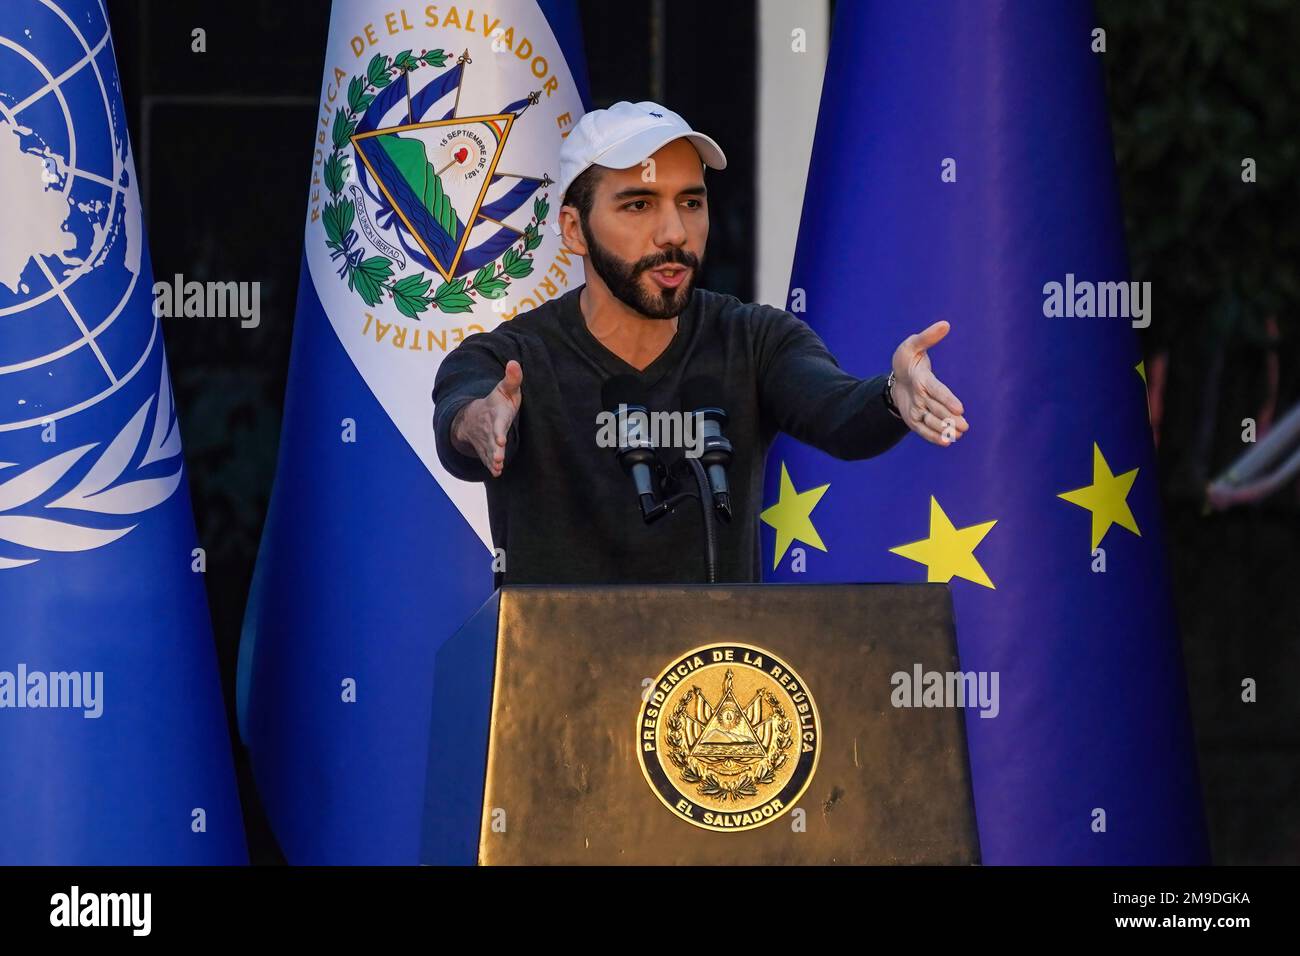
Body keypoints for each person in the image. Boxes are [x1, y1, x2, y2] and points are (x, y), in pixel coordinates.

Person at [433, 101, 968, 585]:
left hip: (720, 688)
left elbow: (835, 409)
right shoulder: (513, 360)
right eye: (638, 205)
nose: (673, 232)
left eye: (690, 202)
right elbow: (465, 411)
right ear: (574, 230)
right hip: (555, 683)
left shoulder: (754, 339)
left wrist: (894, 395)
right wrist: (478, 424)